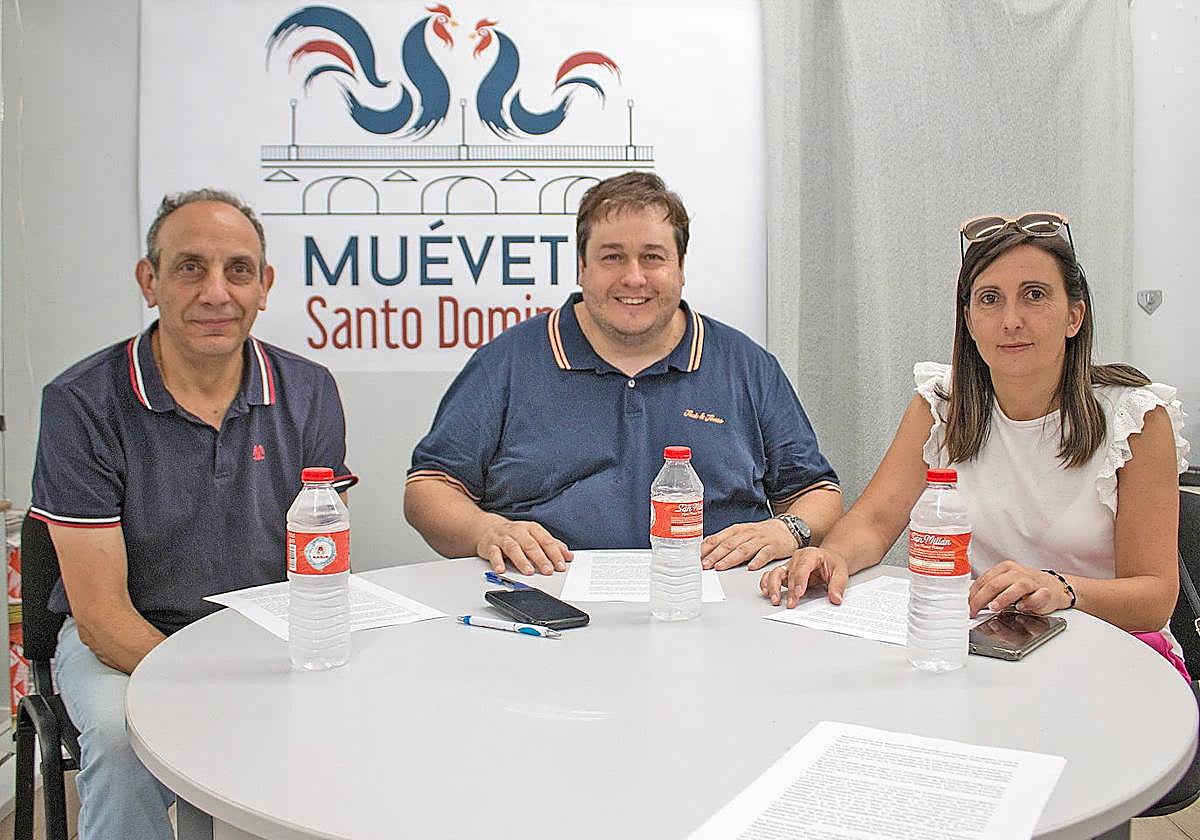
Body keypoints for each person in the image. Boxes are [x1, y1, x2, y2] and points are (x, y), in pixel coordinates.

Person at [29, 189, 356, 840]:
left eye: (238, 270)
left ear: (264, 287)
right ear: (148, 282)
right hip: (122, 641)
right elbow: (99, 616)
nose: (216, 292)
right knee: (128, 744)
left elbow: (321, 559)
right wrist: (206, 689)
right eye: (189, 268)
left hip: (262, 636)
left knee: (347, 728)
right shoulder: (81, 402)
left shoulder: (310, 388)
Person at [761, 212, 1188, 661]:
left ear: (1074, 316)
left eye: (1035, 295)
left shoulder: (1136, 418)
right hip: (986, 650)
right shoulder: (941, 406)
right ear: (968, 319)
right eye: (990, 299)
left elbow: (1155, 597)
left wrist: (1061, 588)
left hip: (1111, 653)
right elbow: (874, 522)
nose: (1010, 320)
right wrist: (834, 557)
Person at [405, 172, 841, 575]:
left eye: (652, 257)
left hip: (715, 598)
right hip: (545, 599)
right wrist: (486, 532)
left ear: (681, 267)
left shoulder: (746, 364)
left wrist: (790, 530)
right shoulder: (508, 361)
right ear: (581, 266)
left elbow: (817, 492)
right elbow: (428, 491)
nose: (634, 278)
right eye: (612, 257)